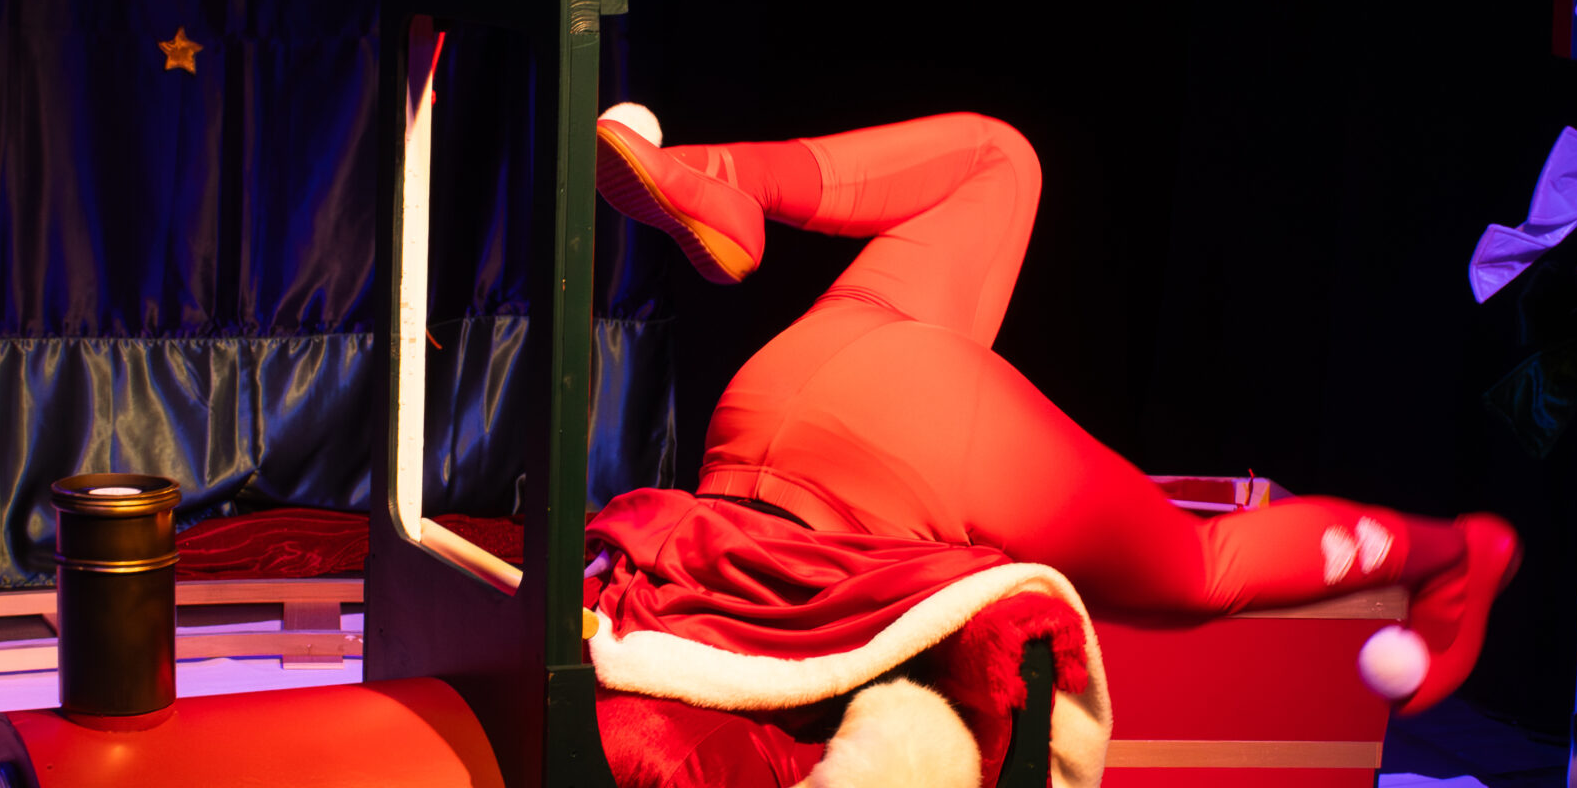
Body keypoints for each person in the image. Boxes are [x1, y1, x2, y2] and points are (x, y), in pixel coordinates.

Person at [592, 106, 1516, 715]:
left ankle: (719, 177)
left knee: (1001, 163)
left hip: (777, 395)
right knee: (1205, 563)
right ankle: (1455, 552)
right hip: (870, 410)